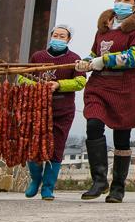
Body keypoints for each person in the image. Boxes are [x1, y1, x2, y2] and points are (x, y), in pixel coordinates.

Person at [75, 0, 135, 203]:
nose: (121, 3)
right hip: (100, 85)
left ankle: (118, 187)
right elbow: (94, 53)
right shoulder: (104, 28)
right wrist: (86, 61)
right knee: (93, 124)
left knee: (122, 139)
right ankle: (99, 180)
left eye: (126, 0)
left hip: (125, 88)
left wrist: (106, 60)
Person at [19, 24, 86, 201]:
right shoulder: (37, 56)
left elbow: (80, 82)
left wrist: (59, 85)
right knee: (34, 145)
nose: (58, 38)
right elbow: (21, 77)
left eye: (62, 36)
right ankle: (35, 180)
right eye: (55, 35)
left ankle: (48, 187)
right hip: (37, 108)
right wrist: (38, 86)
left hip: (63, 110)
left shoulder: (74, 59)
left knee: (56, 147)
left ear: (68, 39)